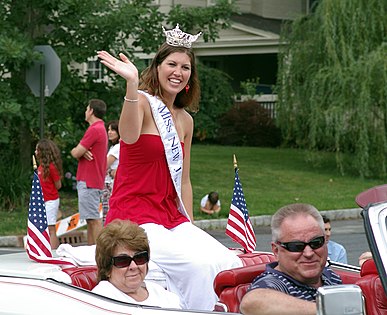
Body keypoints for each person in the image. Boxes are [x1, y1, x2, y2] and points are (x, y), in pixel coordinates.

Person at [97, 24, 242, 310]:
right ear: (158, 67)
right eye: (171, 64)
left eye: (185, 67)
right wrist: (130, 85)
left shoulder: (186, 120)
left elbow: (184, 181)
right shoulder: (140, 102)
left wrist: (190, 225)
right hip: (135, 216)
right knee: (200, 266)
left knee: (229, 262)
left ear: (191, 76)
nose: (178, 72)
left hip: (171, 219)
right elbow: (126, 136)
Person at [240, 203, 342, 315]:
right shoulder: (275, 283)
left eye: (316, 243)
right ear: (276, 251)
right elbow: (251, 302)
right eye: (296, 246)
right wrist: (329, 310)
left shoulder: (330, 276)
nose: (308, 253)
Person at [92, 219, 181, 308]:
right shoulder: (100, 300)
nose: (133, 266)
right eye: (123, 260)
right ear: (107, 267)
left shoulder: (161, 293)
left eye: (139, 258)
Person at [71, 99, 108, 245]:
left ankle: (100, 252)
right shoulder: (100, 128)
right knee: (90, 219)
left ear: (91, 111)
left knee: (93, 219)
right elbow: (81, 151)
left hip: (89, 181)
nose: (85, 112)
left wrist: (81, 150)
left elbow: (75, 152)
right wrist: (83, 151)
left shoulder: (94, 129)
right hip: (94, 181)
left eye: (87, 109)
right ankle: (92, 252)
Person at [35, 139, 63, 249]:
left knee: (51, 228)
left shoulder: (51, 167)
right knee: (44, 228)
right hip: (43, 201)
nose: (35, 152)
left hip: (51, 200)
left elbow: (58, 185)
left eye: (37, 149)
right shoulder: (41, 167)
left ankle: (53, 252)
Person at [102, 120, 120, 224]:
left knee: (109, 214)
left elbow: (104, 166)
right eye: (108, 129)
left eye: (112, 129)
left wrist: (108, 171)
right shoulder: (113, 147)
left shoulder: (117, 147)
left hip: (111, 186)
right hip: (108, 184)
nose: (109, 132)